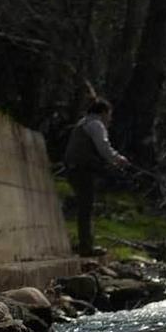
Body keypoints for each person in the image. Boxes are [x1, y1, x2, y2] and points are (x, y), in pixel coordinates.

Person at [64, 98, 130, 257]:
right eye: (109, 115)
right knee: (86, 208)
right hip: (82, 170)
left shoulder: (84, 122)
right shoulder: (96, 124)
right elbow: (103, 147)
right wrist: (119, 159)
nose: (110, 119)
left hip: (73, 168)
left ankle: (84, 244)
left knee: (84, 206)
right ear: (103, 112)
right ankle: (86, 247)